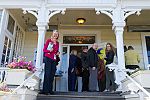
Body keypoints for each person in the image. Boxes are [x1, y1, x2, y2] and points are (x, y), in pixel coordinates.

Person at [40, 30, 59, 95]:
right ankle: (45, 90)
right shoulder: (49, 41)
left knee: (52, 75)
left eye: (56, 34)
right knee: (47, 74)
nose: (55, 35)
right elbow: (44, 50)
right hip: (48, 58)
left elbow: (56, 51)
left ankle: (50, 90)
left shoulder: (57, 43)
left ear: (57, 36)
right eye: (54, 33)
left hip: (54, 60)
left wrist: (57, 53)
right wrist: (50, 50)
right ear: (52, 34)